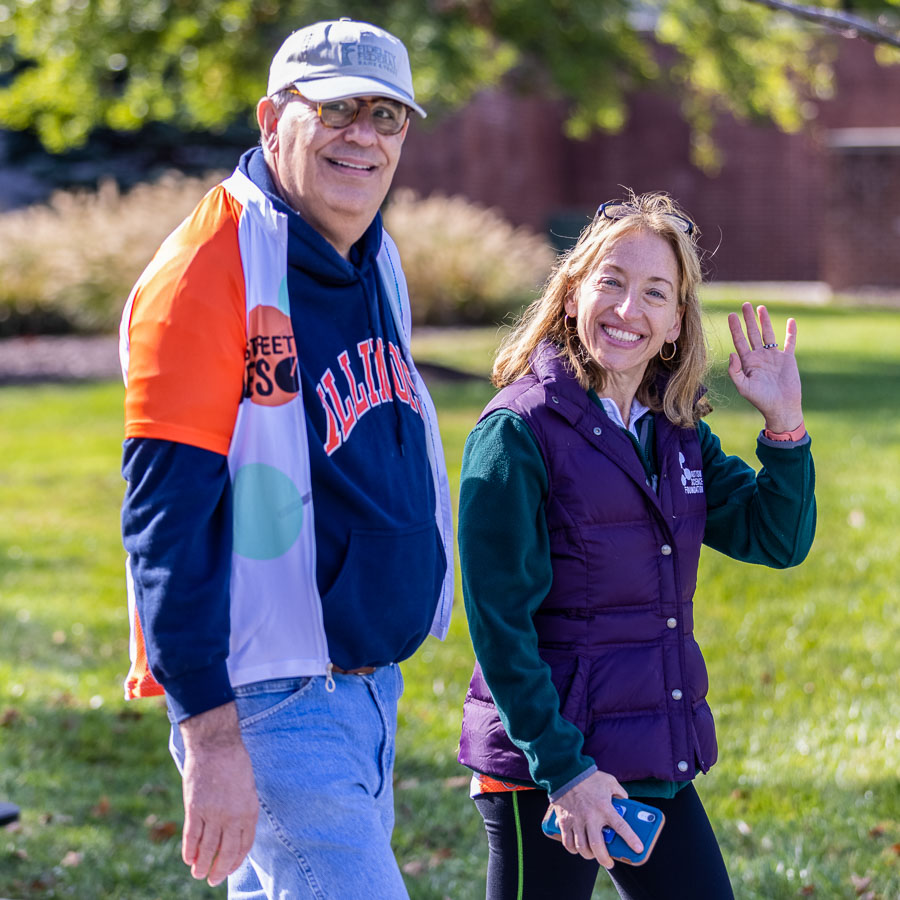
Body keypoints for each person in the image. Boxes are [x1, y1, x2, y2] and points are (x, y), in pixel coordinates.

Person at [119, 18, 453, 898]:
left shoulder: (371, 254)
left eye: (387, 115)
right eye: (336, 108)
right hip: (271, 701)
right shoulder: (206, 269)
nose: (364, 136)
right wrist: (210, 735)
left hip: (366, 691)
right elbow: (163, 522)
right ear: (272, 119)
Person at [456, 191, 816, 899]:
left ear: (676, 322)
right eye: (612, 282)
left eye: (655, 292)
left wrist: (785, 426)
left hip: (650, 753)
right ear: (572, 295)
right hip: (546, 769)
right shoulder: (517, 432)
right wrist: (565, 772)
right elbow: (499, 627)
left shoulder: (675, 431)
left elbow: (775, 538)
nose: (629, 309)